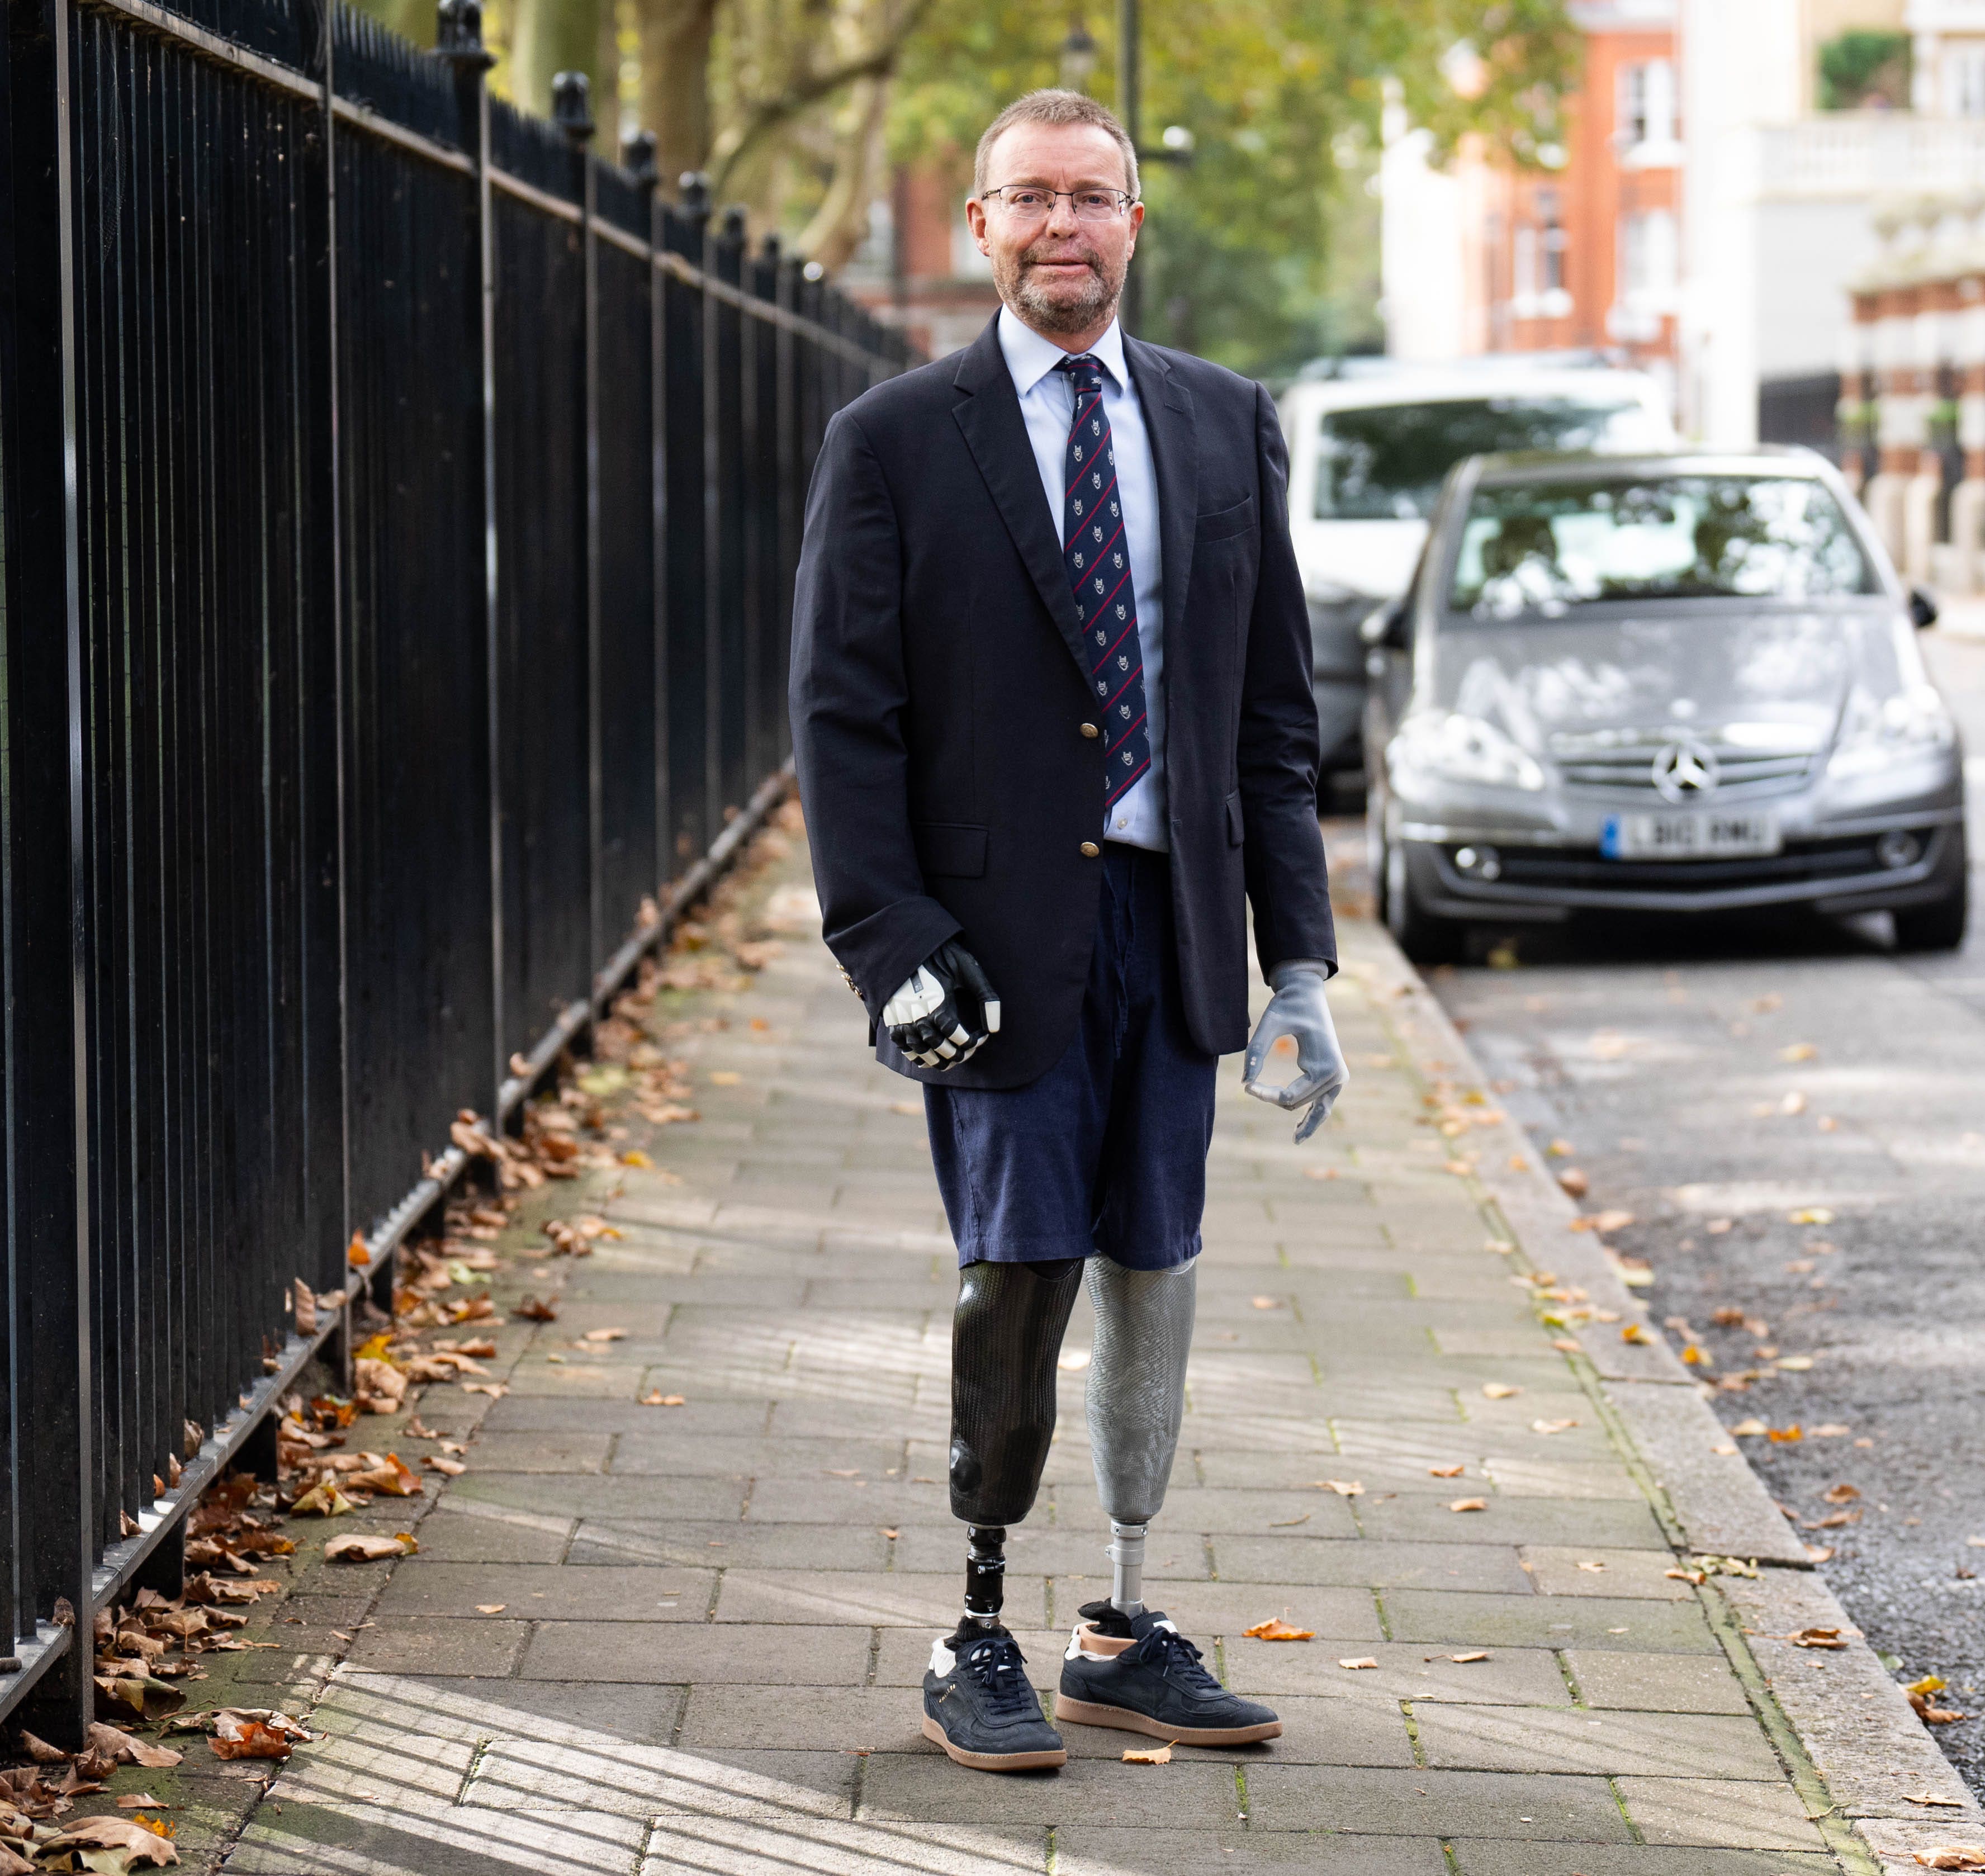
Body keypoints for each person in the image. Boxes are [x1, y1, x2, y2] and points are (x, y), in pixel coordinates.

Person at [787, 87, 1346, 1775]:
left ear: (1132, 225)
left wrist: (1298, 964)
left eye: (1090, 199)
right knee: (1016, 1277)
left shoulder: (1225, 419)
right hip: (991, 946)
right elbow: (843, 715)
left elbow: (1269, 718)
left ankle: (1119, 1621)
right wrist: (887, 940)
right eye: (1027, 199)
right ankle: (975, 1625)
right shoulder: (891, 437)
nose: (1061, 228)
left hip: (1168, 929)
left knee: (1153, 1278)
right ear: (980, 228)